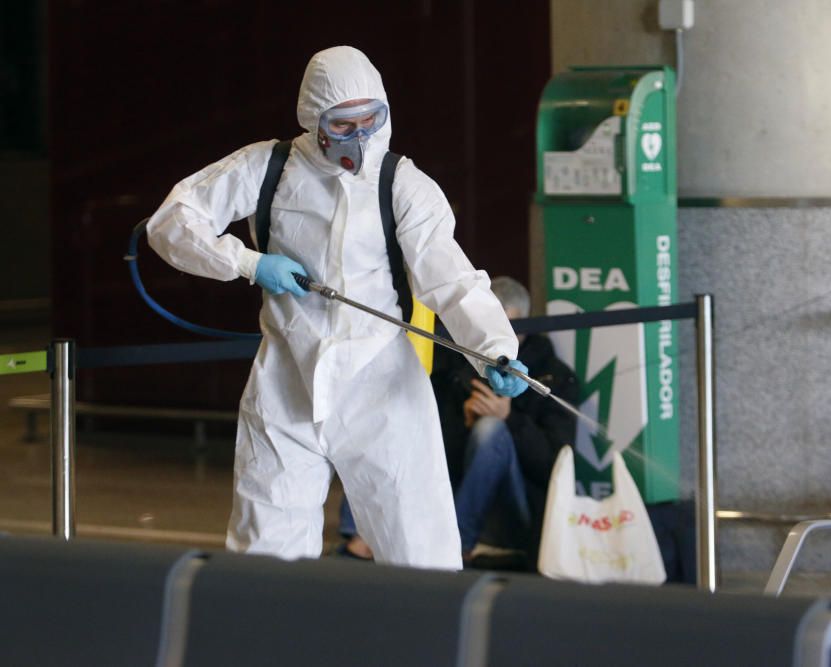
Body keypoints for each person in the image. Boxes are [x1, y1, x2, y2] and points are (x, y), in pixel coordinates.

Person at [145, 46, 529, 569]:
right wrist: (248, 262)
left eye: (372, 120)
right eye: (344, 125)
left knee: (422, 552)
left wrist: (495, 349)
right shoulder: (268, 168)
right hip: (286, 385)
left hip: (383, 388)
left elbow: (454, 281)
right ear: (314, 120)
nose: (361, 138)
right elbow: (172, 220)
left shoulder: (404, 186)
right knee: (265, 555)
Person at [338, 277, 578, 567]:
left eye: (508, 328)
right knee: (392, 408)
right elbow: (432, 451)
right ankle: (365, 531)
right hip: (451, 498)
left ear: (525, 324)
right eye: (487, 329)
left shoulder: (553, 375)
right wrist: (462, 422)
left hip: (519, 509)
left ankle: (458, 546)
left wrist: (510, 420)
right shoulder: (455, 364)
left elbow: (557, 467)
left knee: (491, 431)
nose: (495, 340)